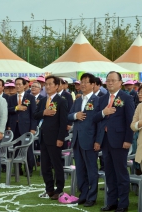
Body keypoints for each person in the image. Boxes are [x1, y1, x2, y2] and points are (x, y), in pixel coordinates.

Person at [93, 71, 134, 212]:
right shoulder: (102, 99)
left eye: (113, 80)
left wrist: (128, 140)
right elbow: (96, 118)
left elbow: (130, 121)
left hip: (120, 141)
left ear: (120, 82)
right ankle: (112, 202)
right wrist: (104, 112)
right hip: (105, 142)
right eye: (108, 80)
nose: (109, 82)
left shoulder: (126, 98)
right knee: (109, 173)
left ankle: (123, 204)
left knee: (121, 173)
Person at [33, 75, 68, 200]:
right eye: (46, 84)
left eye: (50, 84)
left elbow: (63, 122)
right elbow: (35, 115)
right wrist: (44, 112)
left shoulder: (61, 101)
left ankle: (59, 189)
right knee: (45, 166)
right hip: (43, 137)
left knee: (56, 165)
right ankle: (49, 189)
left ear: (57, 86)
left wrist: (60, 138)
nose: (47, 86)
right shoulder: (42, 101)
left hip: (55, 138)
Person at [68, 73, 99, 207]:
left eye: (86, 82)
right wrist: (76, 115)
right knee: (80, 169)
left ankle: (92, 197)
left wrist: (98, 141)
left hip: (90, 140)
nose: (83, 84)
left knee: (91, 170)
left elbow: (99, 123)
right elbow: (69, 116)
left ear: (93, 85)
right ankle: (83, 195)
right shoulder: (78, 100)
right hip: (77, 140)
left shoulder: (98, 101)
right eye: (82, 82)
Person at [7, 77, 37, 176]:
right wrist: (16, 108)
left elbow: (34, 114)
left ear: (25, 85)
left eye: (20, 84)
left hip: (26, 126)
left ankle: (29, 169)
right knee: (16, 147)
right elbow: (8, 110)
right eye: (16, 84)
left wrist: (33, 128)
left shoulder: (30, 97)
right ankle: (17, 169)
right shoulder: (11, 98)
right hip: (14, 126)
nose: (18, 86)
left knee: (27, 149)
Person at [130, 85, 142, 175]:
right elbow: (133, 126)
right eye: (139, 92)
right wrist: (140, 123)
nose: (139, 94)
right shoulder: (139, 107)